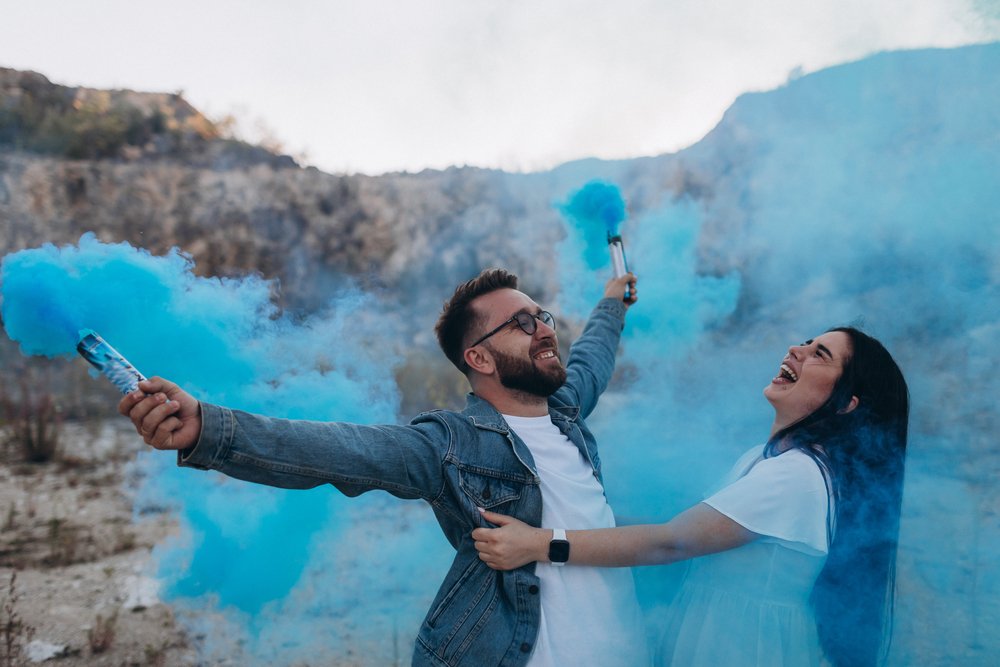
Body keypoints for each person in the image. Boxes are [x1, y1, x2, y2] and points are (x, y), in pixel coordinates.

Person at [119, 268, 650, 667]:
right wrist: (208, 429)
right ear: (480, 359)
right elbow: (336, 450)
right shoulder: (451, 444)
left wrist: (611, 303)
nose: (545, 330)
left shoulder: (564, 413)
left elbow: (591, 360)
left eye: (544, 317)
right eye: (523, 323)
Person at [473, 327, 909, 667]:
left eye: (821, 355)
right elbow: (682, 530)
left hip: (742, 650)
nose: (797, 349)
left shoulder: (797, 476)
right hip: (719, 637)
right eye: (807, 342)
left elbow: (672, 541)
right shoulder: (766, 459)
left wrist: (540, 543)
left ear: (847, 404)